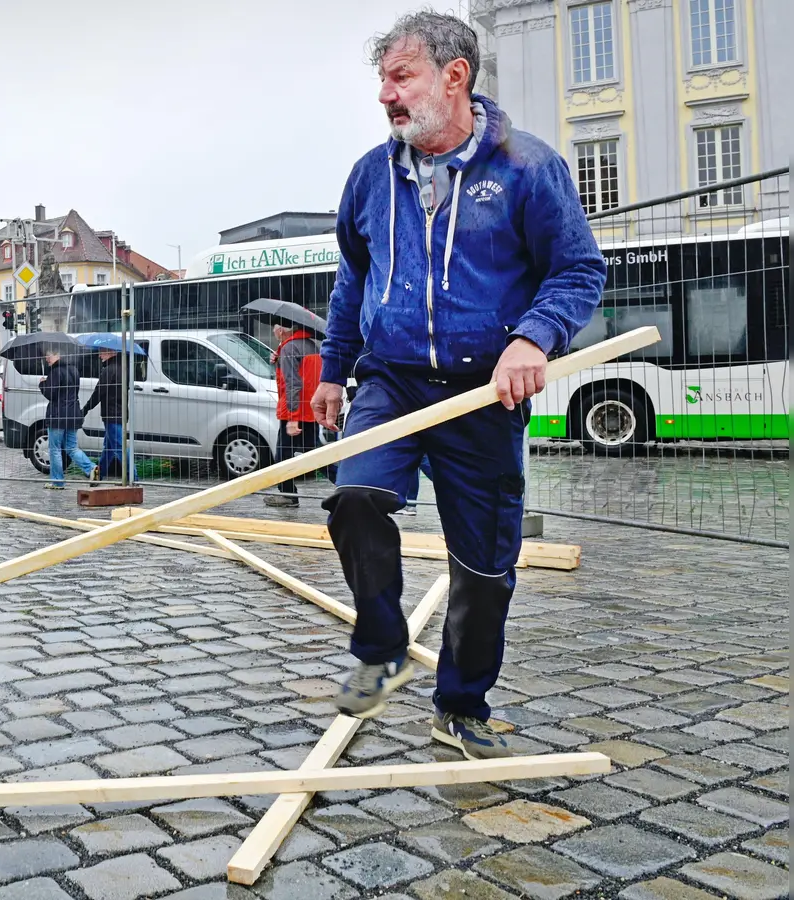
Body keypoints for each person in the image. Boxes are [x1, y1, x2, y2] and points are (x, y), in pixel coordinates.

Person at [310, 11, 604, 759]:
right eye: (382, 80)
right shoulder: (370, 176)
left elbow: (577, 270)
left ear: (455, 76)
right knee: (355, 499)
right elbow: (352, 283)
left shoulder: (527, 167)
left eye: (400, 77)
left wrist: (532, 338)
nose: (385, 95)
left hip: (483, 393)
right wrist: (334, 372)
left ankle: (461, 703)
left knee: (484, 567)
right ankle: (379, 647)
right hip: (393, 380)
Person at [265, 322, 323, 509]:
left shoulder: (289, 348)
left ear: (281, 331)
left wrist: (292, 417)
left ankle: (288, 496)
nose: (274, 333)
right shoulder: (310, 345)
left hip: (295, 409)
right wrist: (279, 360)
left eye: (274, 330)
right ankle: (345, 484)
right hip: (310, 408)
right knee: (316, 454)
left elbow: (293, 384)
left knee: (283, 455)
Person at [39, 348, 98, 490]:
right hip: (72, 414)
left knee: (55, 449)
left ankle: (57, 482)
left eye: (49, 355)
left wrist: (42, 384)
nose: (47, 358)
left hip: (57, 416)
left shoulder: (55, 372)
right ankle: (91, 468)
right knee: (72, 447)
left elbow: (51, 395)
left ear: (58, 354)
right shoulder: (74, 370)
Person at [80, 348, 128, 482]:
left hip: (112, 414)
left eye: (102, 352)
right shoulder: (123, 368)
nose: (100, 355)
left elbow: (98, 393)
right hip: (121, 412)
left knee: (119, 447)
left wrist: (85, 409)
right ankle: (99, 475)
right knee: (109, 447)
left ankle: (133, 477)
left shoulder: (109, 370)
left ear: (111, 352)